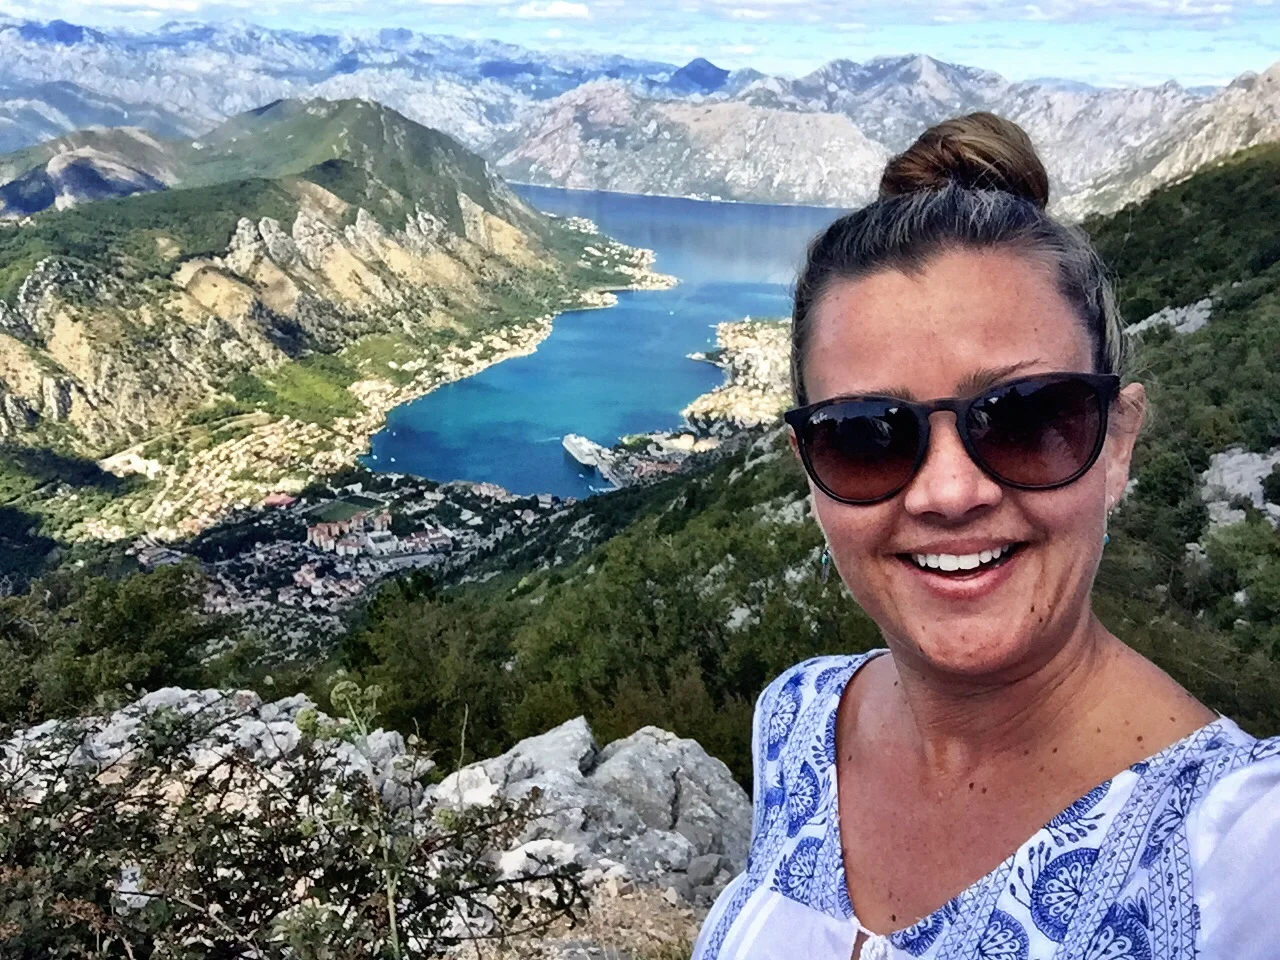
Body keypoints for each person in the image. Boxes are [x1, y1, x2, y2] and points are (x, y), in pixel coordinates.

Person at [692, 113, 1280, 960]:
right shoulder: (798, 719)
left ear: (1117, 443)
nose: (949, 492)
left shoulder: (1239, 852)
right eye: (865, 435)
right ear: (809, 469)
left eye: (1027, 419)